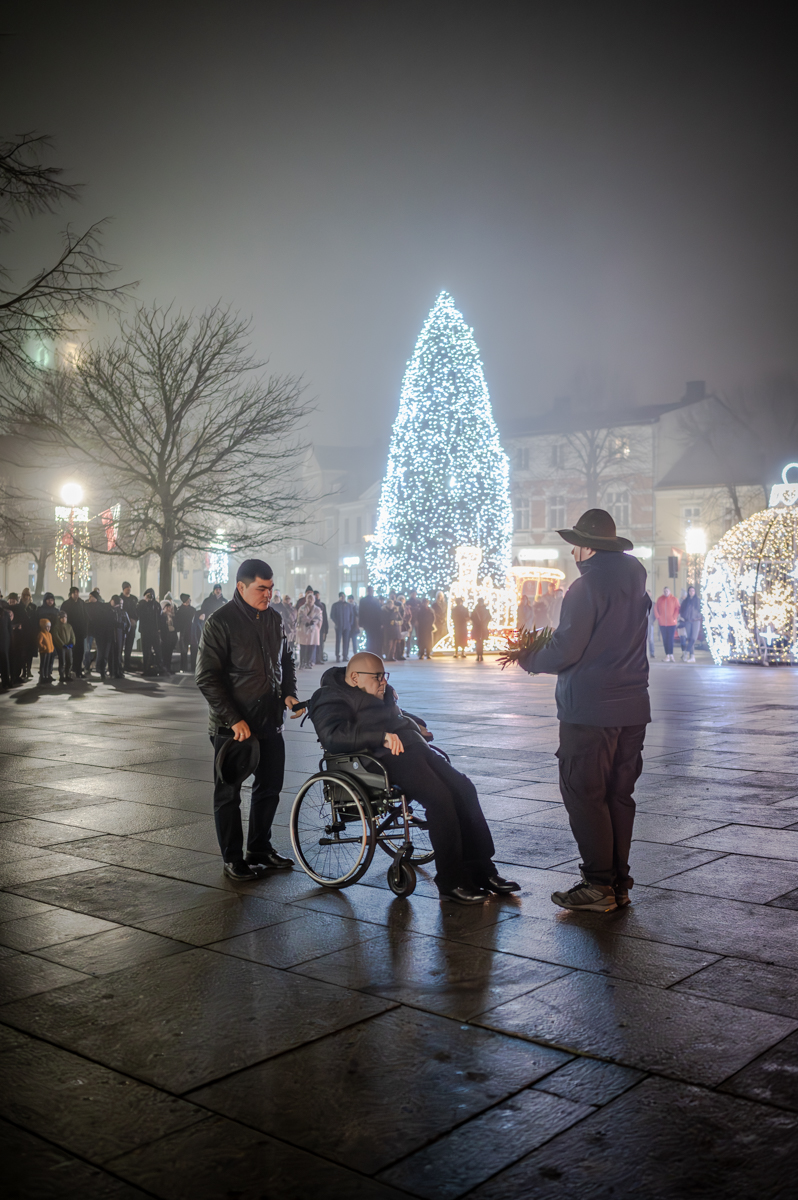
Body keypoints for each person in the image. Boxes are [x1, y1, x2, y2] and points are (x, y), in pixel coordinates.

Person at [518, 509, 650, 914]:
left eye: (575, 542)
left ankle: (597, 885)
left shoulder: (586, 587)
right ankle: (618, 884)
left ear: (588, 546)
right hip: (632, 707)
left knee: (584, 794)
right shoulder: (635, 582)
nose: (573, 550)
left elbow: (567, 649)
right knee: (618, 796)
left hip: (589, 710)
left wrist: (530, 657)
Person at [306, 652, 519, 903]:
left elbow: (397, 714)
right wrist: (380, 736)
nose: (383, 682)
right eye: (377, 677)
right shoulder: (330, 697)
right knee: (440, 800)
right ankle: (451, 881)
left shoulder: (379, 691)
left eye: (384, 676)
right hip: (380, 759)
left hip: (413, 749)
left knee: (464, 788)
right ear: (355, 678)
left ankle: (483, 869)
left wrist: (416, 724)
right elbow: (334, 736)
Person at [195, 558, 299, 882]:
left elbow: (286, 661)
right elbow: (207, 677)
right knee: (229, 793)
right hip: (233, 728)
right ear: (241, 587)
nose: (268, 594)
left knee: (270, 787)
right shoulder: (220, 622)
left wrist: (289, 694)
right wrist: (234, 718)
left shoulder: (275, 619)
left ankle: (259, 848)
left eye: (270, 588)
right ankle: (232, 858)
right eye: (261, 588)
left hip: (270, 719)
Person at [61, 587, 88, 679]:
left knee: (80, 651)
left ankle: (78, 670)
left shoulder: (81, 603)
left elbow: (85, 616)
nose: (76, 594)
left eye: (77, 592)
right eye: (74, 593)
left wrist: (85, 629)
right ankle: (69, 670)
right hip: (70, 632)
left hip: (80, 632)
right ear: (71, 594)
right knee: (70, 652)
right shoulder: (66, 604)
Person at [137, 588, 165, 675]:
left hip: (154, 631)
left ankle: (160, 668)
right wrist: (144, 602)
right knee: (146, 651)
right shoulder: (142, 604)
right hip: (145, 631)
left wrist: (159, 629)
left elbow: (160, 617)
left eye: (150, 595)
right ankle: (146, 669)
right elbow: (137, 613)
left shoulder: (156, 605)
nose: (149, 597)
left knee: (158, 650)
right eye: (147, 595)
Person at [296, 590, 323, 668]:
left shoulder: (317, 609)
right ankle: (302, 662)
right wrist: (307, 620)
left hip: (313, 631)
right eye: (308, 599)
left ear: (314, 600)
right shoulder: (302, 608)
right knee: (303, 647)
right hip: (303, 630)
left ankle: (309, 662)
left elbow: (319, 618)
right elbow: (300, 616)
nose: (310, 600)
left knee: (311, 647)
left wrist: (312, 622)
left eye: (311, 599)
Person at [655, 586, 680, 662]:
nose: (666, 592)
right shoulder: (660, 599)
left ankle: (671, 654)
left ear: (669, 591)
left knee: (670, 639)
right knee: (665, 639)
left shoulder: (674, 599)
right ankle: (667, 655)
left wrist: (674, 617)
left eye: (667, 591)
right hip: (662, 623)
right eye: (664, 591)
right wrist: (658, 617)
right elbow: (655, 608)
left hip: (671, 623)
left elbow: (678, 608)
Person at [174, 593, 198, 672]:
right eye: (188, 599)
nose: (190, 600)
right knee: (183, 651)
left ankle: (192, 667)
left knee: (193, 650)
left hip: (190, 632)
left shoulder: (191, 610)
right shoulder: (180, 610)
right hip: (184, 632)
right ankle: (184, 667)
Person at [19, 587, 39, 680]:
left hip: (31, 633)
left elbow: (36, 619)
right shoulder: (20, 606)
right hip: (22, 633)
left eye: (28, 595)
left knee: (30, 653)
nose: (26, 597)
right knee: (23, 653)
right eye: (25, 595)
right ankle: (24, 671)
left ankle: (29, 670)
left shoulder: (33, 606)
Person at [357, 585, 383, 654]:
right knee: (369, 638)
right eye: (370, 590)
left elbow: (379, 612)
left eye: (372, 590)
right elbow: (361, 612)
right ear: (367, 591)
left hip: (376, 623)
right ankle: (370, 652)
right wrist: (361, 623)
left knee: (375, 639)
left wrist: (381, 623)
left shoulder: (376, 600)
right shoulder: (363, 601)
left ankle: (374, 652)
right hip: (368, 623)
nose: (371, 592)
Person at [52, 611, 76, 683]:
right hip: (61, 647)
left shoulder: (69, 626)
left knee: (69, 661)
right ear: (59, 618)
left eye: (65, 617)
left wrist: (72, 643)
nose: (64, 619)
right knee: (62, 661)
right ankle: (62, 676)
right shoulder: (56, 627)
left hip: (69, 647)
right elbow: (56, 637)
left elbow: (73, 636)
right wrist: (62, 644)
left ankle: (67, 675)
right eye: (62, 617)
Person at [109, 596, 129, 679]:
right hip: (120, 635)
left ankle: (113, 671)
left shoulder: (111, 612)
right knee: (118, 654)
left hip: (113, 635)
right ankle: (118, 671)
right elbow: (128, 625)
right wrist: (125, 632)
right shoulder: (123, 612)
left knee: (113, 653)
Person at [680, 585, 701, 663]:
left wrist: (699, 616)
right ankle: (692, 656)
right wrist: (683, 617)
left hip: (696, 621)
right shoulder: (686, 601)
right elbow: (681, 610)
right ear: (688, 592)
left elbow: (701, 610)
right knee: (689, 638)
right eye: (690, 591)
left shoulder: (698, 600)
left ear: (695, 592)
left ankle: (686, 653)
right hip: (688, 621)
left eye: (693, 591)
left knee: (693, 638)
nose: (691, 592)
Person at [330, 591, 354, 662]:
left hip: (347, 626)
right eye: (341, 596)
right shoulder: (335, 605)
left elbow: (351, 615)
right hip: (339, 626)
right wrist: (337, 622)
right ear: (339, 597)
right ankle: (337, 655)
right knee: (338, 641)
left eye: (344, 596)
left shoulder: (348, 605)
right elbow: (332, 615)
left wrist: (350, 623)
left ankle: (345, 655)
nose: (343, 598)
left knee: (346, 641)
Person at [120, 583, 139, 670]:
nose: (129, 590)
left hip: (132, 624)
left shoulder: (134, 599)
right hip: (122, 625)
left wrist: (135, 620)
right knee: (120, 644)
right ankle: (119, 663)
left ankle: (127, 663)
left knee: (129, 644)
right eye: (127, 588)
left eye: (129, 588)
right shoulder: (120, 599)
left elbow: (137, 611)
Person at [470, 597, 491, 662]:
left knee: (479, 642)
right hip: (481, 628)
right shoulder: (485, 610)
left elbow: (472, 618)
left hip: (479, 628)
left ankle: (479, 655)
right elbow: (488, 618)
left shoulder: (475, 610)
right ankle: (480, 655)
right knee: (480, 642)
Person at [160, 601, 177, 673]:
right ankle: (164, 668)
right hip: (165, 636)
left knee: (170, 653)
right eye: (168, 607)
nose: (170, 608)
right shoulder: (162, 616)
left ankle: (168, 668)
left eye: (170, 607)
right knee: (165, 653)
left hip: (172, 635)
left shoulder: (172, 616)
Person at [37, 618, 55, 684]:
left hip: (49, 651)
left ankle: (47, 676)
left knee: (47, 664)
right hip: (44, 652)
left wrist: (52, 648)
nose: (48, 628)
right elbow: (39, 642)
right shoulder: (41, 634)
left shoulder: (49, 634)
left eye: (49, 627)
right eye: (47, 627)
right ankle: (42, 677)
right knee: (43, 664)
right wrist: (44, 647)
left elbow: (51, 642)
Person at [313, 590, 329, 664]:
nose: (317, 597)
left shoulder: (322, 605)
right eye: (315, 595)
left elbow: (325, 617)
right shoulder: (312, 605)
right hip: (314, 627)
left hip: (321, 627)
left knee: (321, 643)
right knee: (315, 643)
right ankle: (315, 658)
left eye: (318, 595)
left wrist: (326, 629)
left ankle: (319, 657)